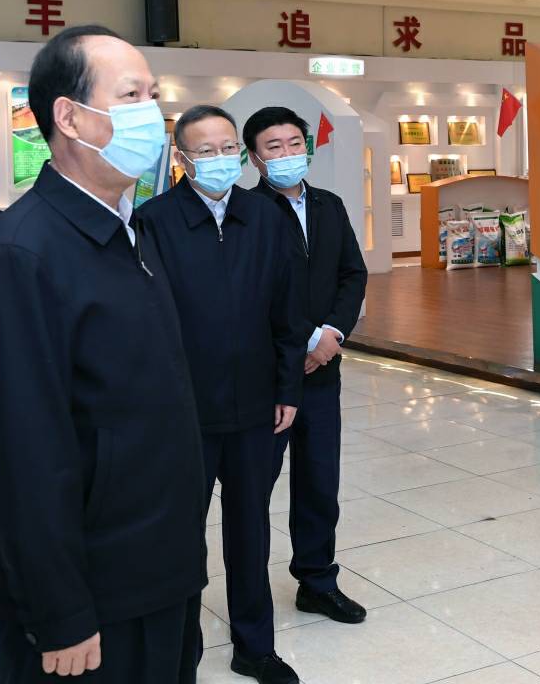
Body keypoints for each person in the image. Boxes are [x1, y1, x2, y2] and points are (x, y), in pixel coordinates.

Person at [0, 25, 207, 683]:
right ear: (68, 117)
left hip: (162, 569)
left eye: (154, 94)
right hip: (95, 596)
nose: (152, 113)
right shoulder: (21, 255)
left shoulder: (128, 231)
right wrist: (60, 610)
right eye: (130, 96)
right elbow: (22, 456)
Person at [136, 104, 306, 684]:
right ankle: (178, 653)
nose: (219, 159)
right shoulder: (154, 221)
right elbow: (146, 322)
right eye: (204, 151)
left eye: (228, 148)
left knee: (250, 529)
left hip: (256, 405)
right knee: (180, 536)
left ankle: (255, 647)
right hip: (184, 411)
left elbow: (287, 312)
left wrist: (287, 387)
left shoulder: (265, 217)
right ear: (182, 159)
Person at [243, 106, 369, 625]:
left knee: (319, 482)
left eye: (295, 143)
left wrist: (332, 334)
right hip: (269, 377)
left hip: (322, 373)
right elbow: (250, 292)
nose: (287, 153)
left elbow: (352, 274)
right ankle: (248, 591)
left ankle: (317, 581)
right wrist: (305, 341)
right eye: (274, 146)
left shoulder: (328, 205)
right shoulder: (244, 213)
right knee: (254, 488)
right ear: (254, 158)